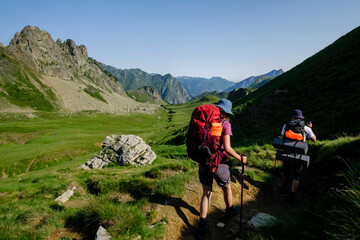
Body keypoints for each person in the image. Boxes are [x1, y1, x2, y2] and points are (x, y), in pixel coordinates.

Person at [196, 99, 247, 239]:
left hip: (203, 162)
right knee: (227, 187)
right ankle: (229, 211)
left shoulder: (205, 122)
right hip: (219, 164)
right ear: (226, 112)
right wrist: (240, 158)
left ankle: (202, 224)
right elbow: (228, 148)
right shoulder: (225, 124)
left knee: (206, 193)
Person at [280, 109, 316, 203]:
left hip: (287, 152)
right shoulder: (305, 127)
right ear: (301, 118)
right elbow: (314, 139)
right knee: (296, 175)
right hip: (299, 154)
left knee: (286, 172)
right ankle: (292, 196)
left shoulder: (286, 125)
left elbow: (281, 138)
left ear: (292, 117)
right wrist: (310, 128)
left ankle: (284, 188)